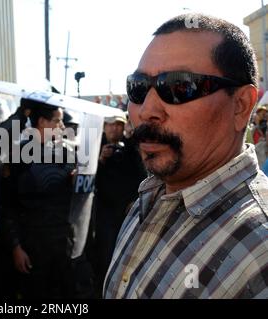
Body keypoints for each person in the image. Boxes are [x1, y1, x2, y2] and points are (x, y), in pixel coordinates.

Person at [104, 14, 267, 299]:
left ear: (241, 105)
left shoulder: (260, 248)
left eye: (179, 87)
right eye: (138, 87)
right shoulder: (148, 199)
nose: (147, 110)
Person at [0, 100, 76, 299]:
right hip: (33, 246)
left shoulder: (66, 154)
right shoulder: (18, 156)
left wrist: (74, 181)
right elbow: (8, 204)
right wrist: (16, 247)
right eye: (57, 121)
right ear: (42, 122)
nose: (62, 127)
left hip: (62, 244)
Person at [90, 111, 146, 296]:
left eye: (118, 124)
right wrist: (100, 160)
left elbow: (141, 175)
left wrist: (134, 200)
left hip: (128, 211)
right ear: (104, 126)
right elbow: (86, 181)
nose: (114, 128)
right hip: (104, 213)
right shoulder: (93, 145)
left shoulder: (131, 147)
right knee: (104, 255)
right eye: (110, 124)